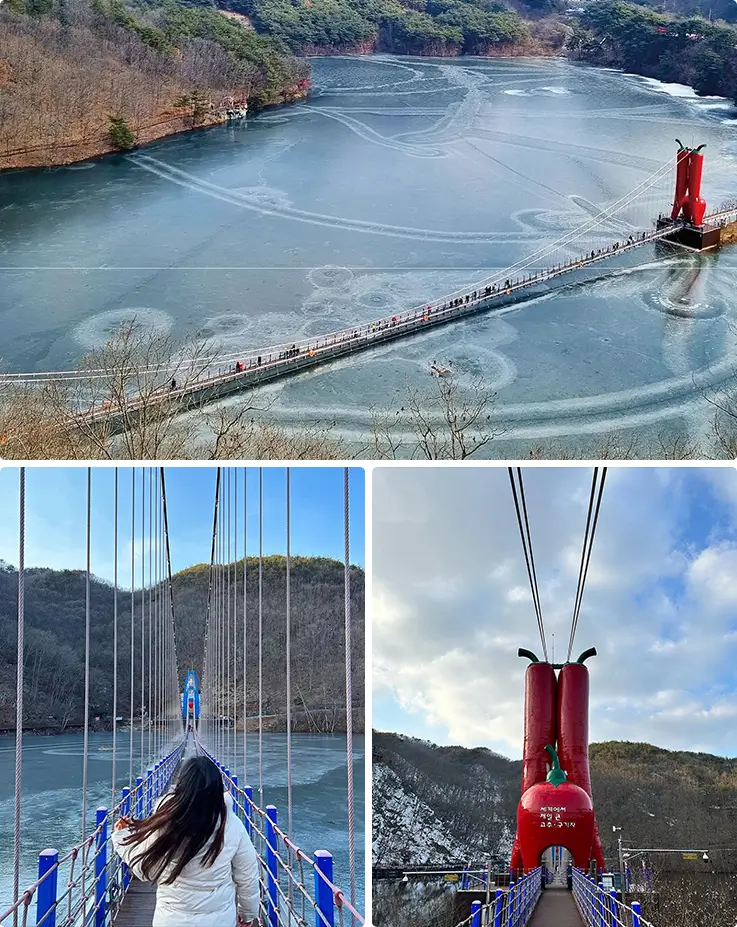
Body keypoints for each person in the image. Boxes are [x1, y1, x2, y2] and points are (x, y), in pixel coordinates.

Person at [112, 756, 260, 927]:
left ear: (181, 787)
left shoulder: (166, 822)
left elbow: (145, 869)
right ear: (218, 788)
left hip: (171, 920)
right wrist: (248, 914)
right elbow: (247, 876)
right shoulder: (234, 825)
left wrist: (121, 836)